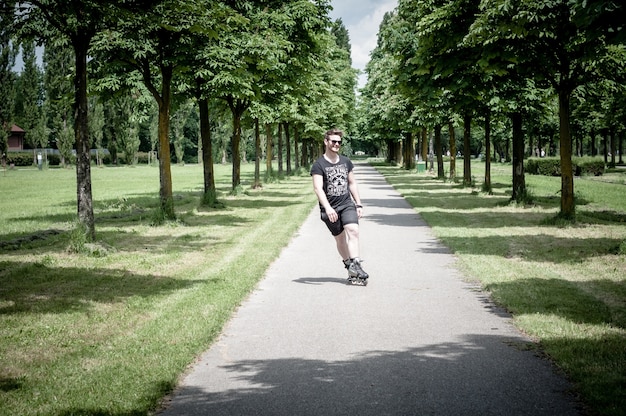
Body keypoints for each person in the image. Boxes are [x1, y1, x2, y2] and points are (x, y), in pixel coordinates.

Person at [311, 128, 369, 282]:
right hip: (329, 208)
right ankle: (349, 266)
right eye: (333, 141)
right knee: (340, 239)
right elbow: (318, 188)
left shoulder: (345, 162)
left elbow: (352, 183)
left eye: (339, 142)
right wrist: (328, 208)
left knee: (353, 230)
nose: (337, 144)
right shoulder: (319, 165)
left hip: (346, 204)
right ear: (326, 142)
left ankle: (356, 264)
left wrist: (358, 204)